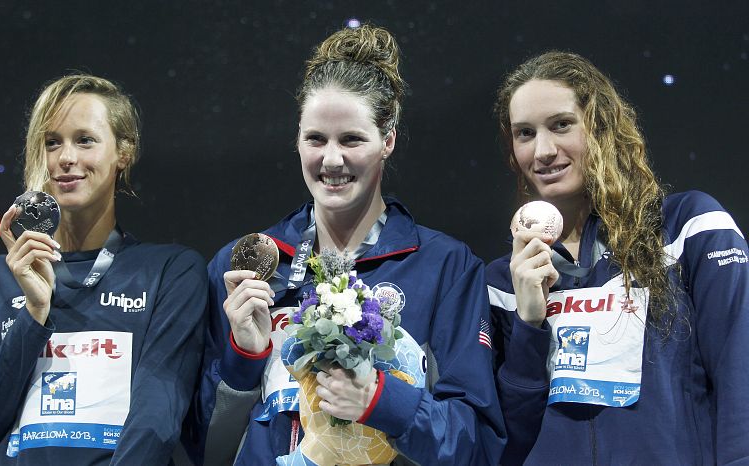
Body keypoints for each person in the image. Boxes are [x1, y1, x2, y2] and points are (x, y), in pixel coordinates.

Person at [188, 24, 506, 465]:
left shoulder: (446, 268)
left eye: (352, 139)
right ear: (297, 140)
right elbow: (205, 447)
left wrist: (382, 399)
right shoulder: (244, 266)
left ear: (387, 141)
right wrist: (244, 357)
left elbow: (476, 446)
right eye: (315, 139)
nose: (331, 160)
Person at [487, 51, 749, 465]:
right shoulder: (502, 282)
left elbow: (740, 374)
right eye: (524, 133)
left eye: (561, 125)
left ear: (602, 127)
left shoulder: (689, 229)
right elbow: (507, 440)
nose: (543, 151)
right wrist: (528, 325)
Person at [0, 74, 208, 465]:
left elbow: (156, 420)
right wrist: (33, 317)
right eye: (52, 142)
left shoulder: (170, 271)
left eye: (85, 140)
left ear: (124, 152)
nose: (65, 157)